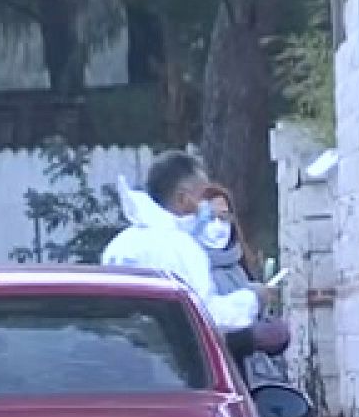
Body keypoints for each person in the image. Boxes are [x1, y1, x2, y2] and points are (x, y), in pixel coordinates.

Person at [101, 150, 287, 361]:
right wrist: (254, 297)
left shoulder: (120, 245)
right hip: (176, 371)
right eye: (203, 196)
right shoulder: (181, 248)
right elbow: (205, 318)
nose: (209, 208)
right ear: (182, 198)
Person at [197, 183, 288, 388]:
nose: (218, 225)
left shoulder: (239, 267)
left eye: (224, 217)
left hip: (254, 382)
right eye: (210, 218)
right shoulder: (191, 268)